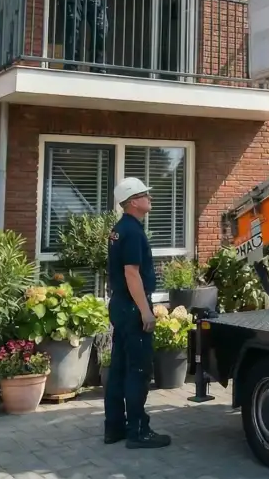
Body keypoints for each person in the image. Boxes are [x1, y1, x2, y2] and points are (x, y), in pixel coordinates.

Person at [104, 176, 172, 449]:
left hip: (120, 305)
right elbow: (131, 273)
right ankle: (138, 431)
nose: (150, 199)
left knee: (119, 369)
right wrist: (146, 312)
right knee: (138, 370)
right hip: (132, 307)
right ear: (134, 202)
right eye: (146, 195)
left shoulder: (119, 229)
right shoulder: (132, 232)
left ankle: (114, 429)